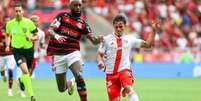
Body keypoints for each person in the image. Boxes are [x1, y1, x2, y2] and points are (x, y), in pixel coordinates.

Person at [47, 0, 103, 101]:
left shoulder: (83, 24)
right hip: (59, 55)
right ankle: (71, 83)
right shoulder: (62, 16)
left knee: (79, 76)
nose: (78, 7)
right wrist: (56, 35)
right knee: (61, 88)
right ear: (70, 6)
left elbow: (94, 41)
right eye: (75, 5)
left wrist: (99, 39)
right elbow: (50, 30)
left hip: (73, 53)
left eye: (79, 5)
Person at [96, 15, 159, 101]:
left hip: (124, 70)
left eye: (121, 26)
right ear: (113, 26)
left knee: (128, 88)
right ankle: (122, 89)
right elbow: (99, 54)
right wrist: (100, 62)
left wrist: (154, 31)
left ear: (125, 26)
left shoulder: (130, 39)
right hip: (110, 74)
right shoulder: (106, 40)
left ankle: (125, 88)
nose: (118, 29)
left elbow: (148, 44)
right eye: (116, 27)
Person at [5, 4, 38, 101]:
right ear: (14, 12)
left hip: (29, 50)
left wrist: (31, 38)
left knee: (28, 73)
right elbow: (7, 35)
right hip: (17, 51)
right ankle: (32, 95)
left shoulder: (28, 22)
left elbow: (36, 35)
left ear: (23, 12)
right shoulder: (10, 24)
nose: (18, 13)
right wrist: (7, 45)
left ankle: (20, 80)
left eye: (20, 11)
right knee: (25, 71)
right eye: (16, 11)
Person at [0, 20, 16, 96]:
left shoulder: (14, 31)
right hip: (1, 55)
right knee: (2, 70)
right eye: (6, 22)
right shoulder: (0, 31)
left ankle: (10, 90)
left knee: (10, 71)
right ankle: (3, 75)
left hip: (10, 55)